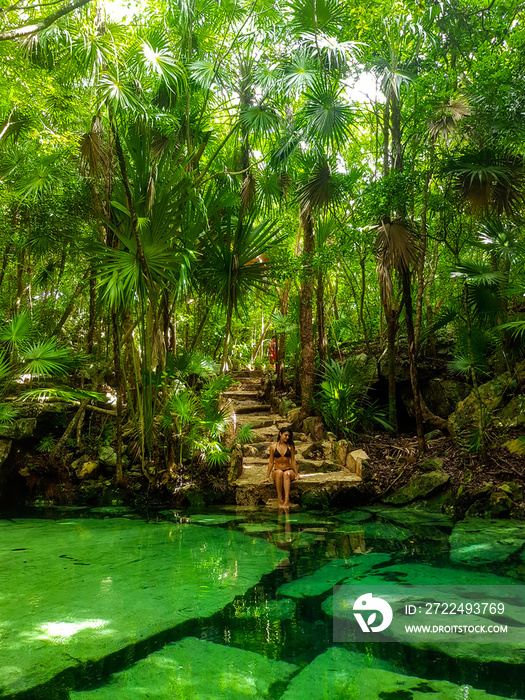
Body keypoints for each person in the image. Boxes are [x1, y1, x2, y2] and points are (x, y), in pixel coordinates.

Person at [261, 427, 300, 507]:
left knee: (286, 474)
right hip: (277, 470)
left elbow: (293, 461)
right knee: (279, 473)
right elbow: (271, 462)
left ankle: (286, 500)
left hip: (288, 470)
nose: (287, 437)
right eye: (285, 435)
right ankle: (280, 498)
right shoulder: (273, 447)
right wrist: (267, 477)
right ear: (280, 434)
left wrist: (297, 474)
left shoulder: (290, 446)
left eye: (288, 436)